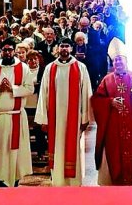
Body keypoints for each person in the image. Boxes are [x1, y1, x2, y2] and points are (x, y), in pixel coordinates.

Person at [35, 37, 93, 186]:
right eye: (62, 46)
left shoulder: (80, 68)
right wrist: (43, 119)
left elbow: (86, 93)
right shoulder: (50, 68)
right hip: (55, 118)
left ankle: (74, 182)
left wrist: (85, 117)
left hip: (74, 118)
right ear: (57, 48)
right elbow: (43, 94)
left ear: (71, 49)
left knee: (72, 148)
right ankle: (58, 180)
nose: (64, 49)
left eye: (67, 46)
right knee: (57, 147)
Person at [92, 54, 132, 185]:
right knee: (113, 152)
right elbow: (97, 100)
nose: (118, 62)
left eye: (120, 59)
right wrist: (110, 102)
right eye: (115, 60)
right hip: (113, 127)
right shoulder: (107, 79)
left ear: (126, 61)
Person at [0, 42, 34, 187]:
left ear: (14, 51)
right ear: (1, 51)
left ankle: (15, 179)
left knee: (15, 150)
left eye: (10, 50)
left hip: (15, 116)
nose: (8, 53)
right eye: (5, 50)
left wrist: (13, 89)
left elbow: (29, 88)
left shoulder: (23, 68)